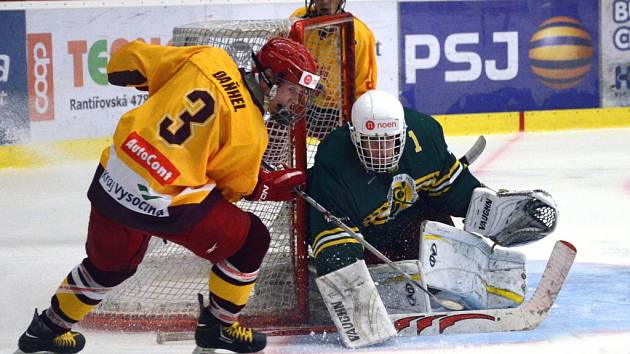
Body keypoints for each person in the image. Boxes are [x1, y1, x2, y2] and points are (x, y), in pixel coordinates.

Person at [17, 37, 320, 354]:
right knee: (250, 240)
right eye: (293, 91)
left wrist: (134, 75)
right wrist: (265, 185)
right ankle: (220, 326)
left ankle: (46, 330)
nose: (296, 102)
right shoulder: (251, 133)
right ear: (269, 78)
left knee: (107, 267)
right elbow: (233, 191)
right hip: (165, 204)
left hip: (114, 179)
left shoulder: (208, 58)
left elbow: (125, 64)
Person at [307, 90, 558, 348]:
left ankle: (478, 282)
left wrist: (490, 211)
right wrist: (349, 290)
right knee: (375, 279)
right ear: (354, 137)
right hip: (370, 244)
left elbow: (451, 188)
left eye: (390, 141)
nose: (382, 151)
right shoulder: (334, 163)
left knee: (440, 233)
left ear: (403, 133)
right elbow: (337, 241)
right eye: (373, 142)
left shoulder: (424, 137)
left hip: (410, 224)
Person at [289, 0, 377, 140]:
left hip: (337, 114)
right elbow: (288, 65)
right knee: (273, 135)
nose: (324, 2)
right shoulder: (299, 19)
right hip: (301, 104)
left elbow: (363, 87)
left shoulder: (359, 34)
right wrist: (311, 82)